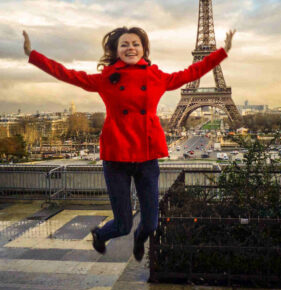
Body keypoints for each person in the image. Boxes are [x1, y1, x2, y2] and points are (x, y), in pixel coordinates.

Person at [22, 27, 235, 261]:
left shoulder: (157, 77)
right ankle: (100, 235)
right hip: (116, 158)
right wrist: (33, 55)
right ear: (116, 50)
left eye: (136, 43)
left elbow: (193, 71)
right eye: (124, 44)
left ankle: (139, 238)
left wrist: (222, 52)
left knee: (151, 223)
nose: (130, 48)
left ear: (144, 49)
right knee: (122, 225)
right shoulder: (106, 78)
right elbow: (68, 74)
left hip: (146, 157)